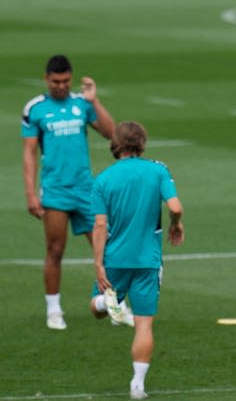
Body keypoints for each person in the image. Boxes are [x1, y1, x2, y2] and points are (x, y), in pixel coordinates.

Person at [89, 121, 185, 399]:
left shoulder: (103, 179)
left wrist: (98, 265)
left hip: (115, 259)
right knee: (144, 324)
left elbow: (98, 226)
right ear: (142, 142)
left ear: (115, 143)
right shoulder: (158, 170)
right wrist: (175, 223)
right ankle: (137, 386)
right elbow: (176, 207)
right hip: (148, 261)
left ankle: (106, 302)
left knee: (96, 310)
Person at [22, 54, 117, 330]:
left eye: (65, 81)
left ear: (71, 79)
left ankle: (113, 305)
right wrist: (30, 193)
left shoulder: (81, 104)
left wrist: (94, 100)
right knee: (55, 249)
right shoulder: (35, 109)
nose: (61, 86)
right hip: (55, 191)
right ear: (46, 79)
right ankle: (54, 310)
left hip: (85, 189)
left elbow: (112, 133)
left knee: (104, 249)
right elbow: (29, 153)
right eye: (56, 81)